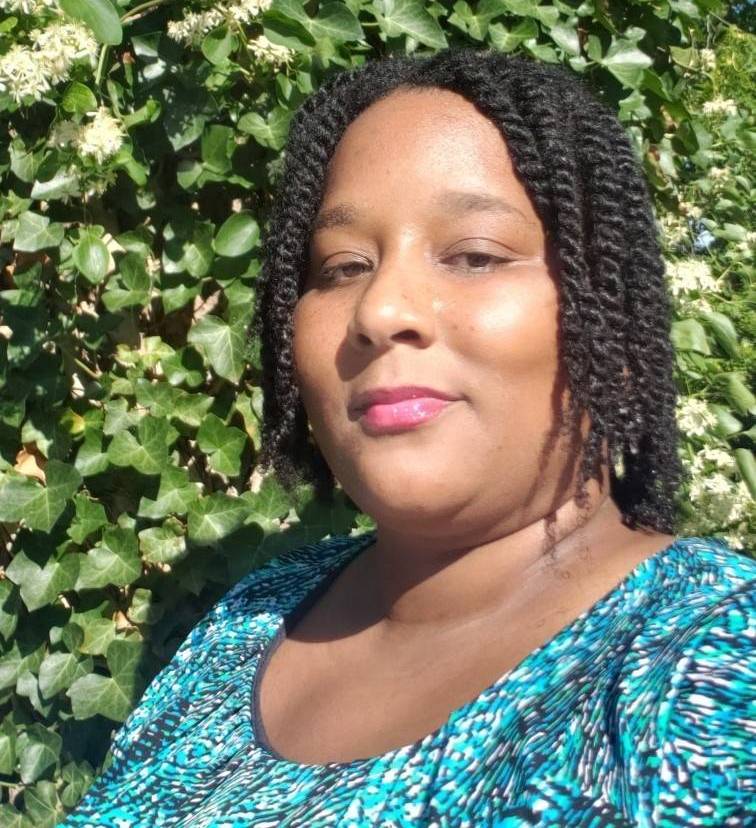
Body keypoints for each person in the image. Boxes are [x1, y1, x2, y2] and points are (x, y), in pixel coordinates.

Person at [60, 47, 755, 827]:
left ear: (615, 330)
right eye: (341, 266)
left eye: (476, 255)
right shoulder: (256, 616)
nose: (380, 309)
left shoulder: (713, 664)